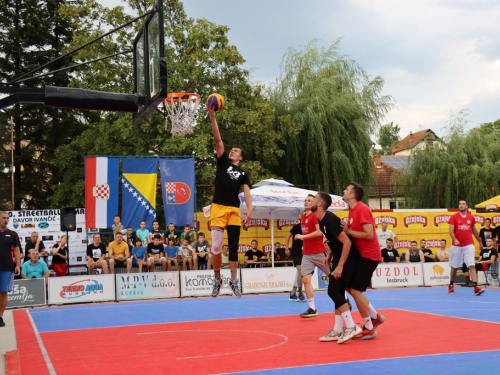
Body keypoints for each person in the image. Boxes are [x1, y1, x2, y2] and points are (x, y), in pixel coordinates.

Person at [207, 105, 252, 298]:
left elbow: (247, 191)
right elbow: (218, 139)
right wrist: (212, 117)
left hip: (234, 210)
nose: (232, 152)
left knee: (234, 246)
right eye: (231, 150)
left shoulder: (243, 173)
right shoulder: (222, 161)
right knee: (216, 248)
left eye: (236, 151)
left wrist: (249, 209)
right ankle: (217, 279)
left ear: (241, 157)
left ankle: (234, 281)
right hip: (218, 208)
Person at [341, 182, 385, 340]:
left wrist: (349, 231)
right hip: (361, 255)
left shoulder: (362, 209)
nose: (344, 190)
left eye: (346, 189)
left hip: (369, 255)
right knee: (347, 286)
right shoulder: (352, 211)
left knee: (355, 290)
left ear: (352, 195)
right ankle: (374, 316)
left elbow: (369, 235)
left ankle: (369, 327)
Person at [293, 194, 330, 318]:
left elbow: (320, 231)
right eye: (305, 200)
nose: (306, 202)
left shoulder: (315, 215)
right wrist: (305, 243)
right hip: (307, 254)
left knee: (334, 276)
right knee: (305, 279)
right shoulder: (303, 216)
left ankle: (344, 298)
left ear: (314, 202)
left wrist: (303, 237)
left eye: (309, 200)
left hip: (319, 252)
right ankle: (312, 308)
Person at [448, 200, 484, 296]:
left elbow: (474, 231)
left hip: (468, 245)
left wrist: (480, 242)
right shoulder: (454, 217)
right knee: (454, 267)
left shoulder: (470, 217)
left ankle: (476, 287)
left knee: (471, 265)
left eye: (463, 204)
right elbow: (451, 231)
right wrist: (455, 239)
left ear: (466, 206)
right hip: (457, 246)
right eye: (460, 204)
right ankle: (451, 284)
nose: (461, 205)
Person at [0, 211, 21, 327]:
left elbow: (17, 250)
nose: (6, 220)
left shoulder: (13, 234)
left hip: (7, 267)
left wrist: (17, 265)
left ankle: (0, 316)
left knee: (3, 292)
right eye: (3, 218)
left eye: (7, 218)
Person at [285, 216, 305, 302]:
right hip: (296, 252)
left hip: (306, 252)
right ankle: (300, 292)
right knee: (300, 271)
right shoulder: (297, 226)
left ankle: (293, 293)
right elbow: (288, 236)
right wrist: (286, 248)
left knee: (300, 273)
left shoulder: (311, 227)